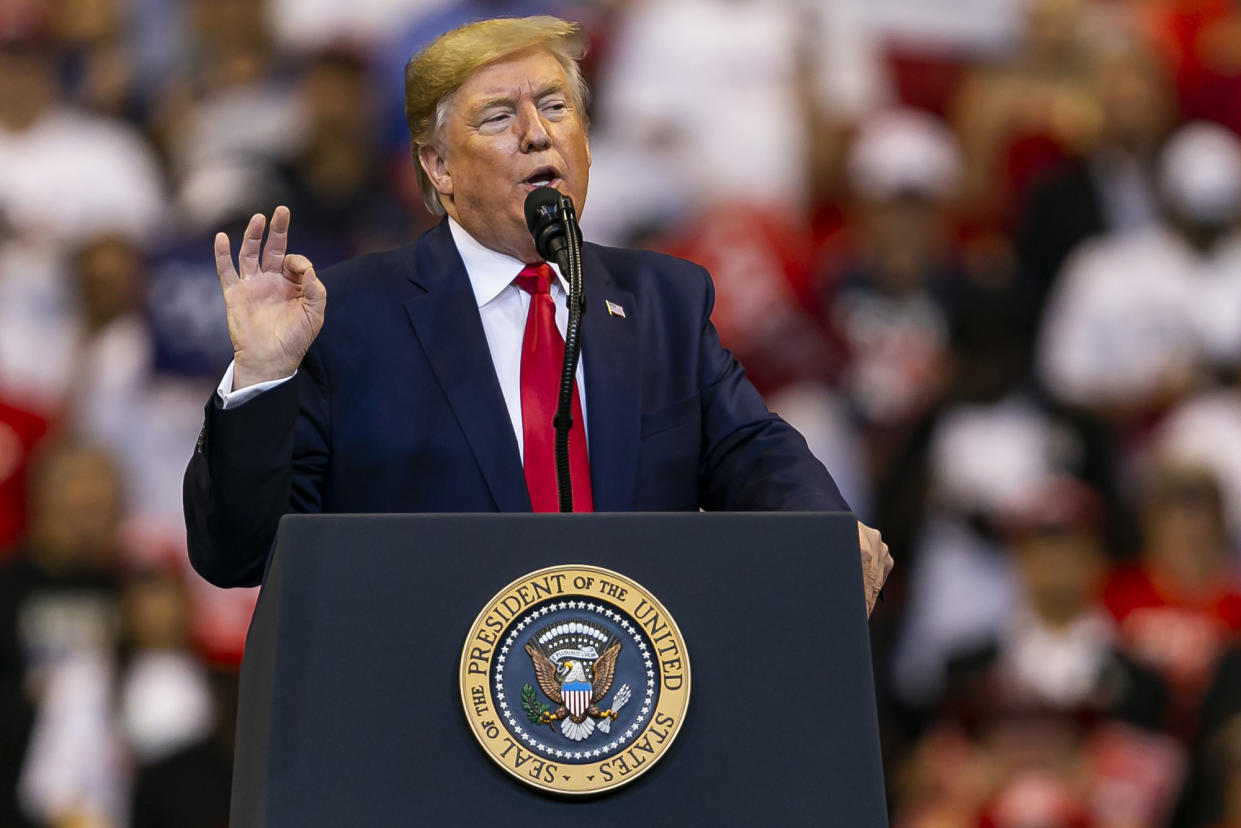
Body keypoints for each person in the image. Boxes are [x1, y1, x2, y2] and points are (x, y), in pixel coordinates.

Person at [182, 16, 892, 612]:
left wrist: (824, 533)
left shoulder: (662, 304)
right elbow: (240, 552)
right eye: (498, 117)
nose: (536, 133)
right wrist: (263, 376)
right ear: (437, 168)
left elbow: (754, 454)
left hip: (632, 726)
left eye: (556, 108)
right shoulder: (349, 318)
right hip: (424, 729)